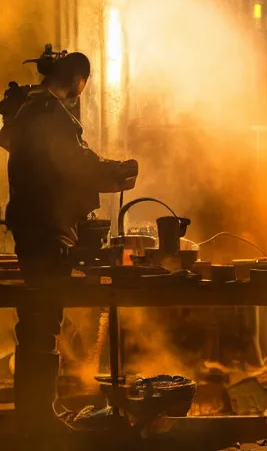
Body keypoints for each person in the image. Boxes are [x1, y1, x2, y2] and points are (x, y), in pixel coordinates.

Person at [5, 52, 138, 435]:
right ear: (79, 80)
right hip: (46, 229)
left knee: (38, 321)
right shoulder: (51, 113)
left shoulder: (29, 110)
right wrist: (116, 170)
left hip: (35, 226)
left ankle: (38, 413)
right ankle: (38, 420)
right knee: (41, 323)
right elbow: (72, 163)